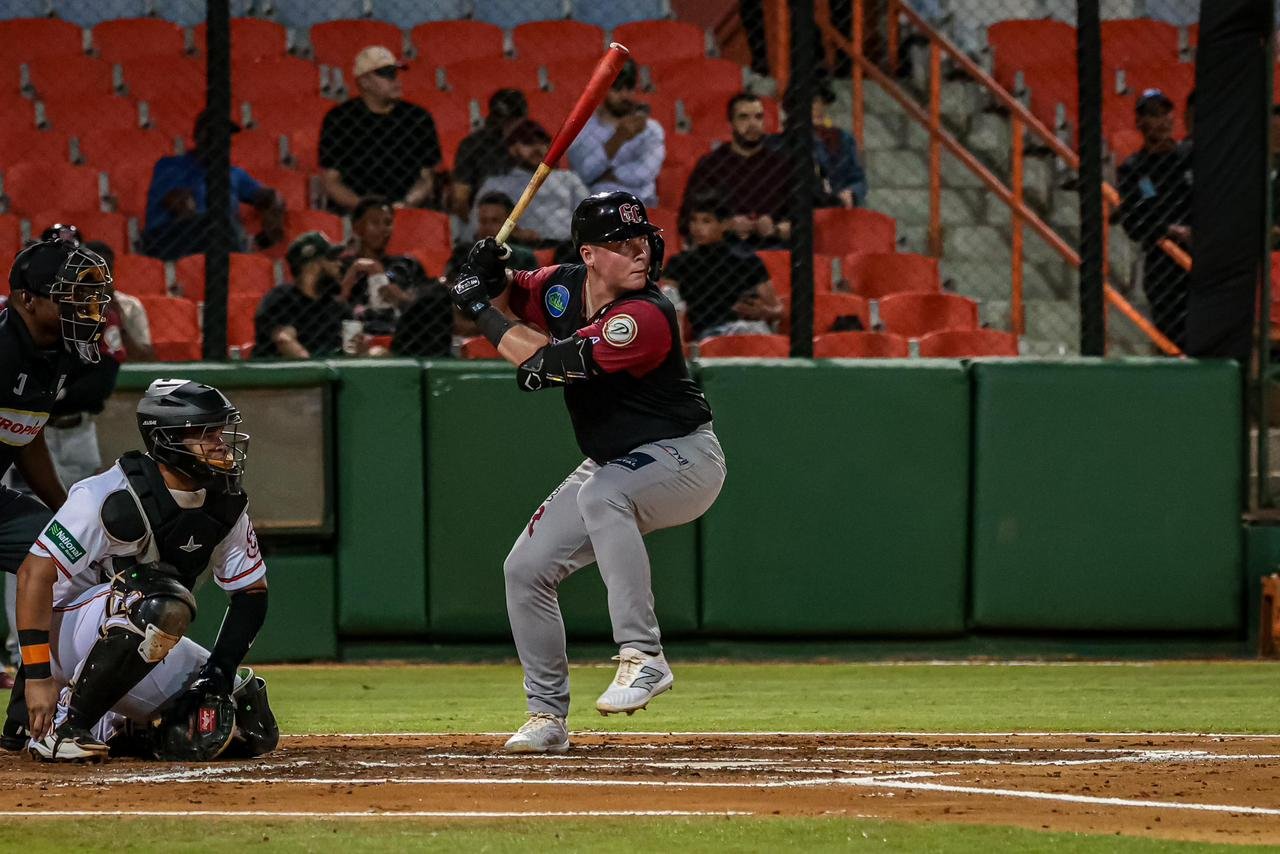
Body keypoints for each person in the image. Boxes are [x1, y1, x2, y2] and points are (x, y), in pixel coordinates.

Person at [449, 191, 726, 754]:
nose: (639, 253)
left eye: (641, 240)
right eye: (622, 245)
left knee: (604, 496)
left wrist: (478, 308)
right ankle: (546, 717)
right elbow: (513, 292)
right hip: (613, 462)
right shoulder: (562, 285)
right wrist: (486, 273)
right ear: (591, 254)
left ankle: (643, 655)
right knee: (525, 570)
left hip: (685, 458)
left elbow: (547, 363)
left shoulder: (645, 315)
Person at [17, 379, 277, 762]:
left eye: (220, 431)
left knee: (242, 721)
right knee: (158, 599)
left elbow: (251, 593)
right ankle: (64, 724)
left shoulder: (225, 502)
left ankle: (127, 729)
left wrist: (218, 675)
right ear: (167, 439)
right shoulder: (106, 496)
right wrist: (37, 675)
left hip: (139, 629)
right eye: (205, 434)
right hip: (66, 633)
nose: (221, 444)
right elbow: (33, 575)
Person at [0, 240, 111, 751]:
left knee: (63, 560)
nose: (84, 307)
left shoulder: (57, 352)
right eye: (69, 294)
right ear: (27, 299)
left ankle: (31, 720)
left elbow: (26, 434)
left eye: (88, 294)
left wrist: (64, 512)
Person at [141, 111, 284, 261]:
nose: (221, 141)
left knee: (225, 226)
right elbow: (177, 202)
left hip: (221, 238)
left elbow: (266, 195)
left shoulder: (233, 173)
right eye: (213, 133)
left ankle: (241, 251)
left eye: (225, 137)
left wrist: (273, 209)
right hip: (171, 238)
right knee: (222, 223)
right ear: (199, 136)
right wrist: (212, 225)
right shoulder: (172, 165)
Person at [319, 46, 442, 213]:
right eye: (387, 74)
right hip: (355, 212)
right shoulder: (340, 119)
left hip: (407, 210)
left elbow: (427, 177)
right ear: (364, 81)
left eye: (395, 74)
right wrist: (363, 208)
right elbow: (331, 181)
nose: (396, 80)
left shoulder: (417, 117)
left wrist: (405, 205)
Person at [1115, 88, 1192, 348]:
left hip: (1201, 254)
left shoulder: (1190, 157)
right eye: (1152, 115)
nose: (1161, 121)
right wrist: (1170, 230)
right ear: (1139, 122)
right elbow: (1134, 223)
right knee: (1169, 335)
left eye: (1164, 113)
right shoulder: (1134, 169)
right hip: (1163, 264)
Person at [662, 193, 784, 340]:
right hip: (710, 335)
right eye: (693, 220)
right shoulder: (679, 263)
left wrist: (763, 312)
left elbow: (779, 310)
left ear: (725, 224)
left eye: (706, 221)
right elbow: (670, 303)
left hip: (750, 329)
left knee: (749, 331)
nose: (697, 228)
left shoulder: (748, 261)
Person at [681, 93, 793, 246]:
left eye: (758, 117)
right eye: (744, 117)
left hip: (773, 246)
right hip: (724, 248)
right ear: (730, 124)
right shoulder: (711, 164)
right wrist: (728, 225)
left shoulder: (781, 164)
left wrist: (775, 229)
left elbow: (802, 221)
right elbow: (687, 220)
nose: (753, 124)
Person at [473, 119, 591, 248]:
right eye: (528, 143)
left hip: (566, 247)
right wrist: (516, 233)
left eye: (542, 143)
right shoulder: (497, 184)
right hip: (517, 247)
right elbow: (477, 224)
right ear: (513, 149)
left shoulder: (568, 179)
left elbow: (589, 214)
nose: (537, 148)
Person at [567, 59, 665, 207]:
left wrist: (607, 175)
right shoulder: (581, 128)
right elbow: (584, 174)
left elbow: (645, 172)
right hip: (597, 210)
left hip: (641, 209)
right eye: (617, 88)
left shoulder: (651, 128)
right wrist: (618, 138)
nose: (625, 95)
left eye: (630, 87)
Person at [338, 196, 429, 336]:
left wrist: (402, 298)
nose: (383, 229)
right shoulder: (342, 265)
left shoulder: (407, 265)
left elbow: (428, 306)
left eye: (387, 223)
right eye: (375, 223)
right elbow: (332, 306)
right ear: (357, 228)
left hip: (400, 333)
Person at [768, 78, 867, 208]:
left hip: (835, 211)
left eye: (822, 101)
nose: (819, 106)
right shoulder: (774, 144)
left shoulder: (843, 139)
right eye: (812, 101)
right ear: (791, 107)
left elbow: (857, 179)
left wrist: (851, 193)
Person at [253, 232, 353, 359]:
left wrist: (361, 347)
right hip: (289, 375)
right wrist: (315, 371)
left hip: (334, 373)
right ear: (311, 266)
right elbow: (284, 340)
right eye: (332, 258)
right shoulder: (281, 299)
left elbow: (353, 348)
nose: (339, 264)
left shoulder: (338, 306)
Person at [451, 89, 529, 219]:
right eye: (499, 119)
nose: (503, 125)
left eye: (510, 121)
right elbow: (461, 197)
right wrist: (474, 227)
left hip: (527, 217)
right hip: (485, 218)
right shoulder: (472, 145)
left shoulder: (533, 144)